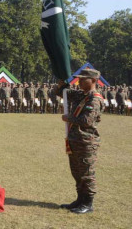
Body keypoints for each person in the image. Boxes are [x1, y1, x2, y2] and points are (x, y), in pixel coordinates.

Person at [58, 68, 104, 214]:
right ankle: (80, 199)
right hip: (75, 140)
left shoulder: (94, 99)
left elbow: (87, 121)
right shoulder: (81, 95)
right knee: (76, 172)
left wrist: (68, 118)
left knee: (86, 173)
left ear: (94, 81)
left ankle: (88, 203)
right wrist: (61, 84)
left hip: (86, 142)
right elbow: (61, 93)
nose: (80, 81)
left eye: (84, 79)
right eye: (79, 78)